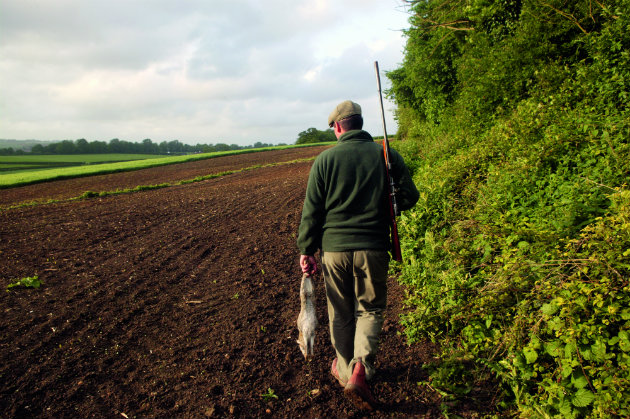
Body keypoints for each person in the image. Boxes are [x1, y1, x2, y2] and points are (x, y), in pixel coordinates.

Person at [297, 100, 419, 410]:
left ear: (338, 127)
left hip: (334, 250)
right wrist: (390, 204)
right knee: (371, 309)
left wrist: (307, 250)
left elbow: (312, 211)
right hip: (374, 247)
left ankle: (345, 369)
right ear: (360, 123)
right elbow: (409, 197)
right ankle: (362, 367)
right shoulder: (385, 154)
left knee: (341, 311)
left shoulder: (324, 161)